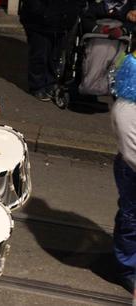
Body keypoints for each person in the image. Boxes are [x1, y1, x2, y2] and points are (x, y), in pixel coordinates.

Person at [20, 0, 86, 102]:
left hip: (63, 20)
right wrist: (42, 12)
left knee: (55, 55)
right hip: (38, 20)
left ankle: (50, 82)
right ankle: (37, 86)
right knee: (39, 54)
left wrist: (76, 11)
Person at [111, 51, 136, 293]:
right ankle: (127, 268)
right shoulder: (126, 109)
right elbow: (131, 153)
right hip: (132, 171)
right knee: (131, 220)